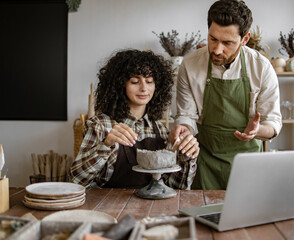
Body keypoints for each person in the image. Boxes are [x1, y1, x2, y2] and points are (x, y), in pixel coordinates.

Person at [169, 0, 282, 190]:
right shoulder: (190, 65)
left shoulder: (261, 67)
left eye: (227, 43)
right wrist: (183, 130)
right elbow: (186, 116)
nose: (217, 49)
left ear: (245, 39)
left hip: (247, 164)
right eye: (213, 39)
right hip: (205, 162)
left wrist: (256, 131)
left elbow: (273, 123)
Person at [70, 49, 199, 189]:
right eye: (135, 82)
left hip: (150, 208)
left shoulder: (160, 130)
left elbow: (175, 186)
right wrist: (106, 145)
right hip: (110, 207)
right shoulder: (99, 125)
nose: (144, 88)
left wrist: (185, 157)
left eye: (149, 81)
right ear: (120, 85)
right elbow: (76, 181)